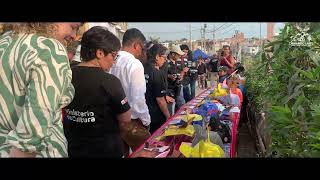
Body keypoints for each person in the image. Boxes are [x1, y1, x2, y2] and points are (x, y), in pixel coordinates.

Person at [0, 22, 81, 157]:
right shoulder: (49, 48)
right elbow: (33, 131)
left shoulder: (5, 40)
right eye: (73, 27)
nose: (74, 35)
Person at [63, 26, 131, 158]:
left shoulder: (66, 74)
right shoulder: (110, 81)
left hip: (74, 148)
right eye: (114, 56)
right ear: (100, 53)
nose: (114, 62)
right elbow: (125, 119)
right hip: (105, 150)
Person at [110, 28, 151, 154]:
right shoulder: (134, 64)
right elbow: (138, 97)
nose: (142, 52)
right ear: (136, 45)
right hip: (132, 122)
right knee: (144, 153)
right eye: (142, 48)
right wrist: (145, 120)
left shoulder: (111, 60)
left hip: (114, 119)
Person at [144, 44, 171, 133]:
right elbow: (160, 100)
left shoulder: (142, 67)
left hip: (144, 113)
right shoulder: (156, 73)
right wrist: (168, 116)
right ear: (157, 57)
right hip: (155, 115)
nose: (165, 60)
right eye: (164, 57)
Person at [162, 45, 187, 115]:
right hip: (170, 91)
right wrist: (169, 76)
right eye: (178, 55)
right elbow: (161, 76)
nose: (180, 56)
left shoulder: (176, 63)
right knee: (173, 111)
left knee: (180, 108)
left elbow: (178, 76)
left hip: (177, 88)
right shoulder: (165, 63)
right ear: (173, 54)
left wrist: (181, 74)